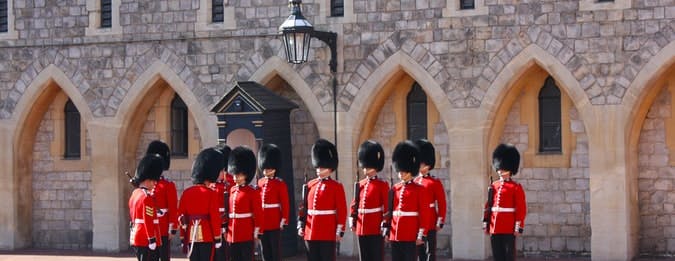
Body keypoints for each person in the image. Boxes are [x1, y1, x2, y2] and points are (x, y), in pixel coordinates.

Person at [299, 139, 347, 261]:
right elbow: (303, 208)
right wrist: (301, 225)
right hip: (310, 231)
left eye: (322, 166)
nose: (319, 169)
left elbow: (341, 210)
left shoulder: (336, 186)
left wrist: (339, 230)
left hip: (327, 232)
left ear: (329, 168)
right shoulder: (310, 184)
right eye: (318, 166)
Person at [177, 148, 224, 261]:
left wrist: (183, 237)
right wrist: (217, 238)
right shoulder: (211, 194)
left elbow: (181, 218)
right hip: (207, 236)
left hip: (190, 235)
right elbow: (214, 218)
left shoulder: (186, 193)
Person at [483, 143, 527, 261]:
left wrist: (518, 226)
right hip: (494, 226)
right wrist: (486, 222)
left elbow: (521, 208)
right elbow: (489, 206)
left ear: (510, 168)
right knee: (497, 255)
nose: (500, 170)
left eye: (502, 167)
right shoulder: (494, 185)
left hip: (508, 226)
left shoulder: (516, 187)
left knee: (509, 256)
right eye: (499, 167)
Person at [389, 140, 432, 261]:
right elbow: (391, 211)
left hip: (410, 234)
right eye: (399, 170)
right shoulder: (395, 188)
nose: (401, 173)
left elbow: (424, 214)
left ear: (410, 170)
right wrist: (388, 230)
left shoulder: (420, 190)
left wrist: (421, 235)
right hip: (395, 234)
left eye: (403, 170)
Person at [349, 140, 388, 261]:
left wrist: (386, 225)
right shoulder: (360, 184)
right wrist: (352, 219)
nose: (364, 168)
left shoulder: (382, 185)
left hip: (376, 228)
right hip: (361, 227)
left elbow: (387, 207)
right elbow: (354, 204)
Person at [226, 146, 264, 261]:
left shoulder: (252, 192)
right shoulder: (232, 190)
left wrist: (258, 231)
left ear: (245, 175)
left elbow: (258, 213)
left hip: (246, 233)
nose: (235, 177)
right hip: (232, 234)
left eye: (238, 175)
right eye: (234, 174)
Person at [413, 139, 447, 261]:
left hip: (431, 221)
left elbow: (441, 203)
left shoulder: (435, 182)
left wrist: (440, 221)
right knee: (419, 251)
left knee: (430, 252)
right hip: (417, 221)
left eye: (422, 163)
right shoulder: (415, 181)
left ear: (427, 164)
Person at [145, 140, 178, 261]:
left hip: (163, 228)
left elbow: (173, 208)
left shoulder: (168, 185)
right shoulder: (145, 185)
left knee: (164, 257)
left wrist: (172, 228)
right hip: (150, 229)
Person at [257, 144, 290, 261]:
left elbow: (285, 203)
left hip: (275, 221)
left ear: (274, 168)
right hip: (262, 222)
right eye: (264, 168)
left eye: (268, 168)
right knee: (264, 251)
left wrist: (284, 219)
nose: (266, 170)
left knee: (275, 251)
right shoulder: (260, 182)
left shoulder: (280, 184)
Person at [128, 154, 165, 261]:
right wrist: (152, 239)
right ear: (148, 179)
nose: (155, 184)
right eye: (154, 181)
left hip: (137, 236)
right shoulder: (146, 197)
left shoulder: (135, 193)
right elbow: (148, 220)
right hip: (146, 239)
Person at [213, 145, 233, 261]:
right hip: (214, 222)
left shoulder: (230, 181)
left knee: (226, 253)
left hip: (227, 222)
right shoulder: (213, 181)